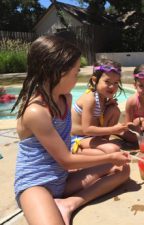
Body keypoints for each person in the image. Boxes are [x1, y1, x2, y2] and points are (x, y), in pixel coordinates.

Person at [12, 35, 130, 225]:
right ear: (55, 72)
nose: (77, 79)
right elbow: (66, 160)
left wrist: (108, 159)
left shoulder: (65, 98)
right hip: (36, 185)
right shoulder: (35, 111)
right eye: (75, 73)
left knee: (122, 169)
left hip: (62, 178)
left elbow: (65, 152)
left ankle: (70, 204)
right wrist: (108, 157)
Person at [71, 58, 128, 154]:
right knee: (112, 150)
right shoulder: (90, 99)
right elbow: (87, 130)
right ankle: (81, 151)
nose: (112, 87)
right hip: (78, 138)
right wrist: (113, 129)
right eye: (107, 82)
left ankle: (103, 142)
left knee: (114, 110)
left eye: (116, 83)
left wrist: (108, 106)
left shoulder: (103, 97)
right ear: (94, 80)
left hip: (91, 136)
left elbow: (98, 119)